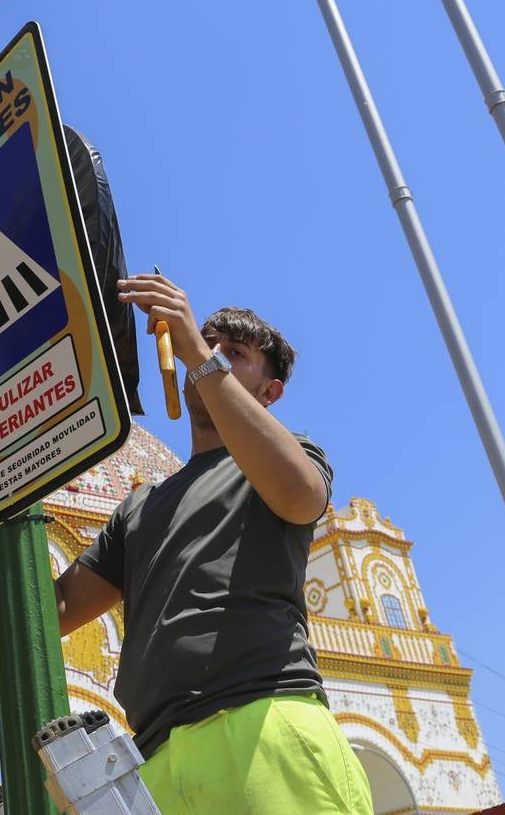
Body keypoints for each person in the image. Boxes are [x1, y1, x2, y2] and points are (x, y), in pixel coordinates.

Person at [54, 271, 373, 815]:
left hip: (264, 722)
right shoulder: (139, 505)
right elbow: (56, 612)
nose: (214, 356)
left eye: (235, 353)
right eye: (211, 346)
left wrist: (199, 354)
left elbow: (300, 497)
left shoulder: (288, 453)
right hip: (156, 760)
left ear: (270, 392)